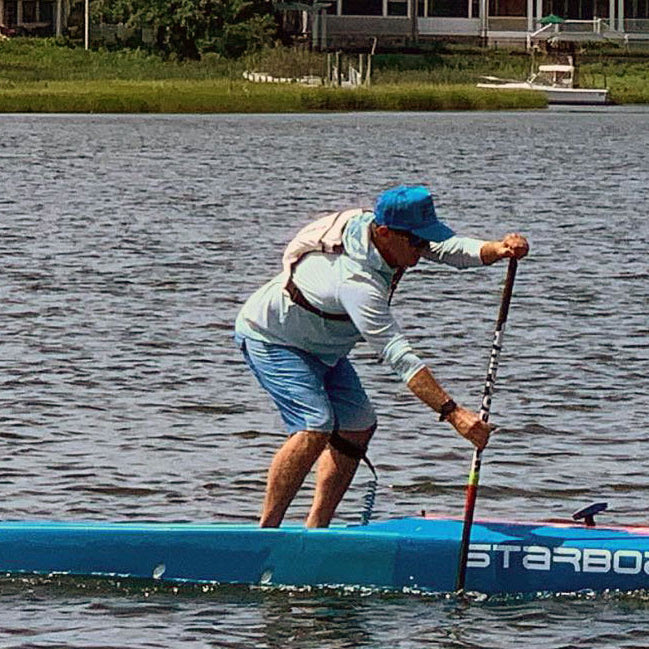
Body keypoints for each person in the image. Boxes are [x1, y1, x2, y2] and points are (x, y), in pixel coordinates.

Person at [234, 185, 529, 528]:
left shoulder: (391, 234)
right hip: (272, 338)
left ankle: (316, 530)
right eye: (417, 242)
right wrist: (454, 414)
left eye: (425, 239)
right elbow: (398, 355)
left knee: (358, 425)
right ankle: (265, 533)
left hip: (325, 348)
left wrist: (498, 249)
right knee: (315, 424)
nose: (422, 250)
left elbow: (448, 248)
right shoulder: (356, 281)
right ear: (385, 233)